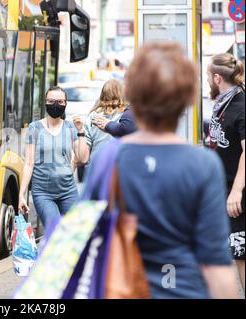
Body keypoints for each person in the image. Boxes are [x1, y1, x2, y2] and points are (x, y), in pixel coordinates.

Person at [84, 42, 238, 298]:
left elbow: (90, 237)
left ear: (134, 94)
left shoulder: (108, 159)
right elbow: (216, 263)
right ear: (186, 98)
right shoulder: (202, 165)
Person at [18, 86, 89, 229]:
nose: (56, 104)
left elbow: (83, 158)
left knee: (74, 232)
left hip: (68, 190)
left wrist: (81, 131)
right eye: (51, 101)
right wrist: (21, 194)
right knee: (55, 230)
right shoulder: (34, 128)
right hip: (43, 192)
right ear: (45, 102)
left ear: (65, 104)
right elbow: (29, 163)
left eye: (60, 101)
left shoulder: (71, 128)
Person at [207, 53, 245, 291]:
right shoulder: (224, 102)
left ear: (218, 78)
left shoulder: (240, 105)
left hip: (236, 193)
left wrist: (236, 191)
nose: (208, 81)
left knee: (241, 254)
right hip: (221, 190)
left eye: (209, 77)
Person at [84, 79, 127, 159]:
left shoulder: (93, 116)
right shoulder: (125, 116)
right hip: (117, 165)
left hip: (96, 165)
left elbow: (85, 151)